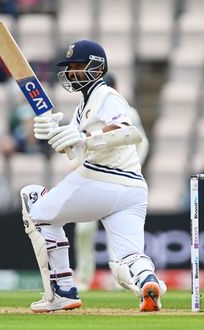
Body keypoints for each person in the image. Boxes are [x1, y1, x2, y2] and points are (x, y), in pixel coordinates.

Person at [20, 40, 165, 312]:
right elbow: (74, 151)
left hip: (102, 180)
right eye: (70, 67)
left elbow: (128, 132)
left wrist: (86, 137)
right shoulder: (81, 107)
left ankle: (61, 291)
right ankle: (148, 282)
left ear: (97, 68)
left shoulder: (106, 95)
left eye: (77, 66)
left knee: (34, 206)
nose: (72, 72)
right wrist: (51, 131)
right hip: (132, 190)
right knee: (128, 258)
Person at [74, 73, 149, 291]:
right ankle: (84, 277)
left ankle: (120, 279)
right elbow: (82, 142)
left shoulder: (128, 113)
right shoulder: (87, 112)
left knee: (116, 229)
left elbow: (141, 142)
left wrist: (134, 168)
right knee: (84, 230)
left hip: (119, 178)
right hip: (93, 179)